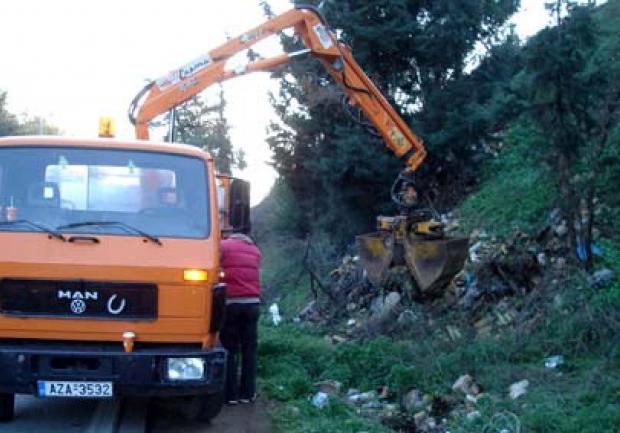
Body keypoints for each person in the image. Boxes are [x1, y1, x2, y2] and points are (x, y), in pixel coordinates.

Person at [219, 232, 261, 404]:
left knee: (230, 348)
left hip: (231, 303)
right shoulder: (255, 250)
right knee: (249, 350)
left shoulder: (223, 246)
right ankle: (248, 394)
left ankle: (230, 395)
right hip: (253, 304)